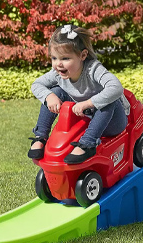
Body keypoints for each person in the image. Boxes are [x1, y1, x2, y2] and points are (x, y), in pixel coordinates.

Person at [28, 24, 130, 164]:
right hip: (84, 118)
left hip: (112, 121)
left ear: (82, 55)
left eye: (65, 59)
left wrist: (89, 103)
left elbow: (116, 87)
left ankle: (88, 143)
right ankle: (40, 137)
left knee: (109, 101)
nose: (58, 64)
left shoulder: (93, 70)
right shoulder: (57, 74)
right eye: (54, 58)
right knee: (55, 91)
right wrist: (48, 96)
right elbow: (36, 85)